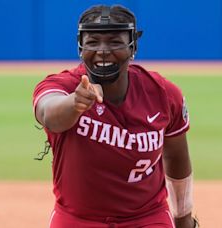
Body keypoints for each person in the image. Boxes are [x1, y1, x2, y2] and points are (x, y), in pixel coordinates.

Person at [32, 4, 198, 228]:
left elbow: (176, 157)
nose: (102, 50)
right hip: (78, 219)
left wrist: (183, 219)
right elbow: (48, 113)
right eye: (93, 42)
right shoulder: (63, 85)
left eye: (114, 41)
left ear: (132, 46)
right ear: (80, 47)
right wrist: (75, 103)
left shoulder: (163, 94)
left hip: (147, 218)